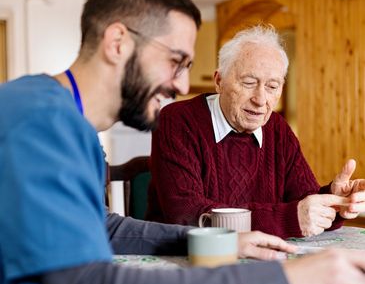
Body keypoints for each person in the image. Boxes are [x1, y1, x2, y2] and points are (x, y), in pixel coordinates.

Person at [1, 0, 365, 284]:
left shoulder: (67, 122)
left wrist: (218, 239)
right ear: (118, 43)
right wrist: (282, 282)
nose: (182, 85)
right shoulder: (40, 122)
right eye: (175, 61)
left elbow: (103, 225)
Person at [146, 26, 365, 239]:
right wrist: (288, 218)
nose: (260, 100)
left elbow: (302, 201)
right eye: (249, 82)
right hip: (188, 259)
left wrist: (333, 202)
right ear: (219, 81)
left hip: (260, 257)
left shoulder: (277, 128)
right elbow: (186, 214)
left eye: (272, 87)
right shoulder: (176, 120)